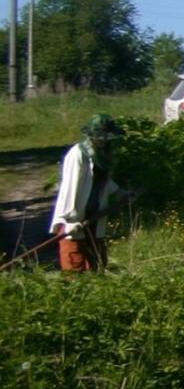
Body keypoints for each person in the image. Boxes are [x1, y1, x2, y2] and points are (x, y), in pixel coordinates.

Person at [50, 115, 124, 273]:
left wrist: (119, 192)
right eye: (100, 137)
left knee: (97, 260)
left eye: (106, 137)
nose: (103, 140)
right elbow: (70, 188)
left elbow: (100, 180)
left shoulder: (103, 155)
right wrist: (70, 219)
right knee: (75, 262)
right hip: (74, 216)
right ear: (91, 135)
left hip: (94, 214)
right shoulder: (78, 155)